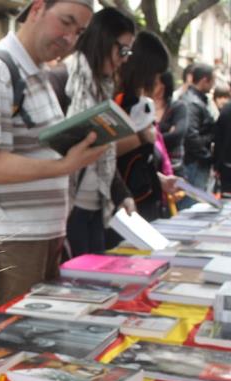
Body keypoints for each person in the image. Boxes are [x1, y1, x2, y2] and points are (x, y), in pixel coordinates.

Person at [0, 0, 106, 306]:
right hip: (12, 238)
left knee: (33, 338)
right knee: (14, 339)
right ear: (36, 9)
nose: (70, 37)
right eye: (66, 21)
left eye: (79, 31)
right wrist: (65, 166)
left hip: (36, 234)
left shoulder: (35, 72)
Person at [64, 7, 137, 257]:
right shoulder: (64, 80)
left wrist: (121, 194)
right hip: (67, 208)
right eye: (123, 50)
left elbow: (103, 151)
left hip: (96, 205)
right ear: (104, 39)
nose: (124, 59)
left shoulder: (103, 89)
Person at [114, 31, 179, 223]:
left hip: (144, 200)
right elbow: (106, 152)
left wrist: (159, 179)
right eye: (156, 76)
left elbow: (139, 161)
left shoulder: (138, 102)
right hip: (127, 206)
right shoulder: (119, 100)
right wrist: (141, 137)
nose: (158, 84)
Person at [179, 63, 215, 204]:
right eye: (213, 80)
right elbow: (191, 136)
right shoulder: (193, 103)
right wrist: (206, 155)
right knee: (192, 204)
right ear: (205, 80)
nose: (213, 85)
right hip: (194, 162)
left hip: (195, 161)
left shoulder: (195, 100)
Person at [153, 70, 188, 176]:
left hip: (173, 168)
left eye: (155, 83)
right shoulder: (144, 106)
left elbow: (178, 134)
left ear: (164, 86)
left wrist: (152, 137)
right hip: (152, 165)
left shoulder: (178, 106)